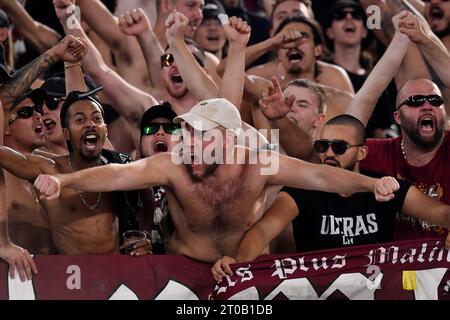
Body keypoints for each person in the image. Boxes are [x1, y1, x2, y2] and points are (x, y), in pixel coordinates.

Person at [34, 97, 400, 263]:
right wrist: (66, 182)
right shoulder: (173, 164)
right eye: (187, 132)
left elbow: (321, 174)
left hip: (248, 271)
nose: (188, 143)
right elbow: (120, 173)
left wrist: (372, 184)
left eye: (200, 134)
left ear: (229, 138)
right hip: (183, 270)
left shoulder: (260, 164)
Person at [211, 114, 450, 281]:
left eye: (339, 147)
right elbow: (263, 231)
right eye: (322, 146)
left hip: (376, 288)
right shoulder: (301, 191)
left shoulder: (384, 186)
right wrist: (239, 261)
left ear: (362, 152)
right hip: (318, 289)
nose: (328, 153)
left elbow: (439, 213)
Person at [0, 87, 149, 256]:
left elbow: (148, 195)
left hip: (115, 274)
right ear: (66, 133)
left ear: (105, 129)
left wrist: (144, 236)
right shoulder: (50, 168)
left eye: (96, 119)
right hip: (69, 276)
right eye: (80, 120)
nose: (90, 125)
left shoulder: (117, 167)